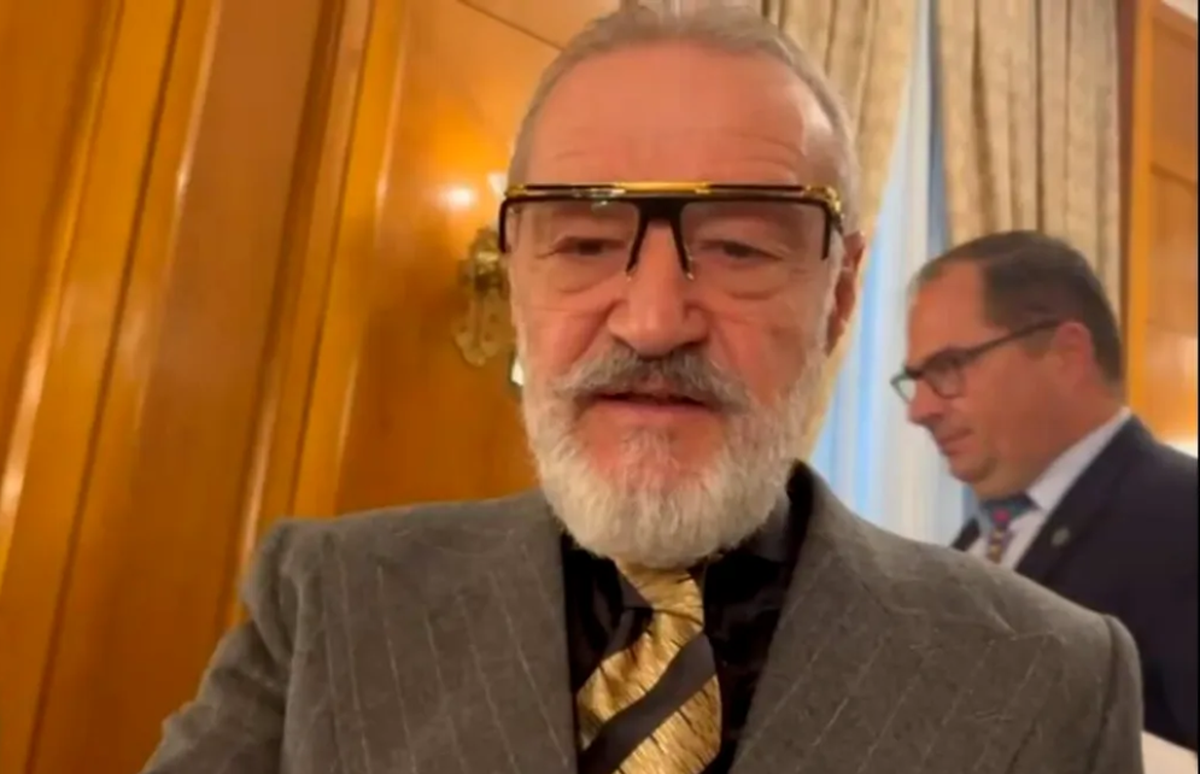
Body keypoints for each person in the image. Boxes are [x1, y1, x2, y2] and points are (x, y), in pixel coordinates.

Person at [142, 8, 1144, 774]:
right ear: (515, 275)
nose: (655, 321)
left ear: (840, 296)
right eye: (584, 243)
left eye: (740, 248)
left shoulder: (1050, 675)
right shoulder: (326, 603)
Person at [898, 230, 1197, 753]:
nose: (920, 410)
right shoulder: (978, 540)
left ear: (1066, 354)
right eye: (916, 379)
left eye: (948, 368)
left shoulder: (1181, 519)